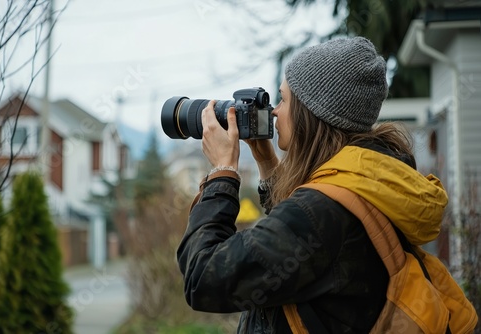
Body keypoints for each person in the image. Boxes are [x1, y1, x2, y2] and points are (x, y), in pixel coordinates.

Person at [176, 37, 448, 333]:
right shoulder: (368, 181)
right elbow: (300, 245)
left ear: (311, 114)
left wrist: (222, 173)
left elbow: (203, 278)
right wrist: (268, 163)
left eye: (283, 99)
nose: (275, 111)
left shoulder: (320, 215)